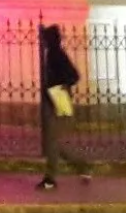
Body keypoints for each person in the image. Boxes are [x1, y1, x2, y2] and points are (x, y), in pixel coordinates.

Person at [37, 24, 90, 189]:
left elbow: (74, 76)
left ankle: (50, 179)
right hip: (53, 100)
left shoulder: (56, 55)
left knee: (52, 142)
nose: (42, 41)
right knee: (53, 143)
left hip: (57, 100)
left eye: (44, 38)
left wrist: (61, 86)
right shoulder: (52, 53)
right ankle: (82, 166)